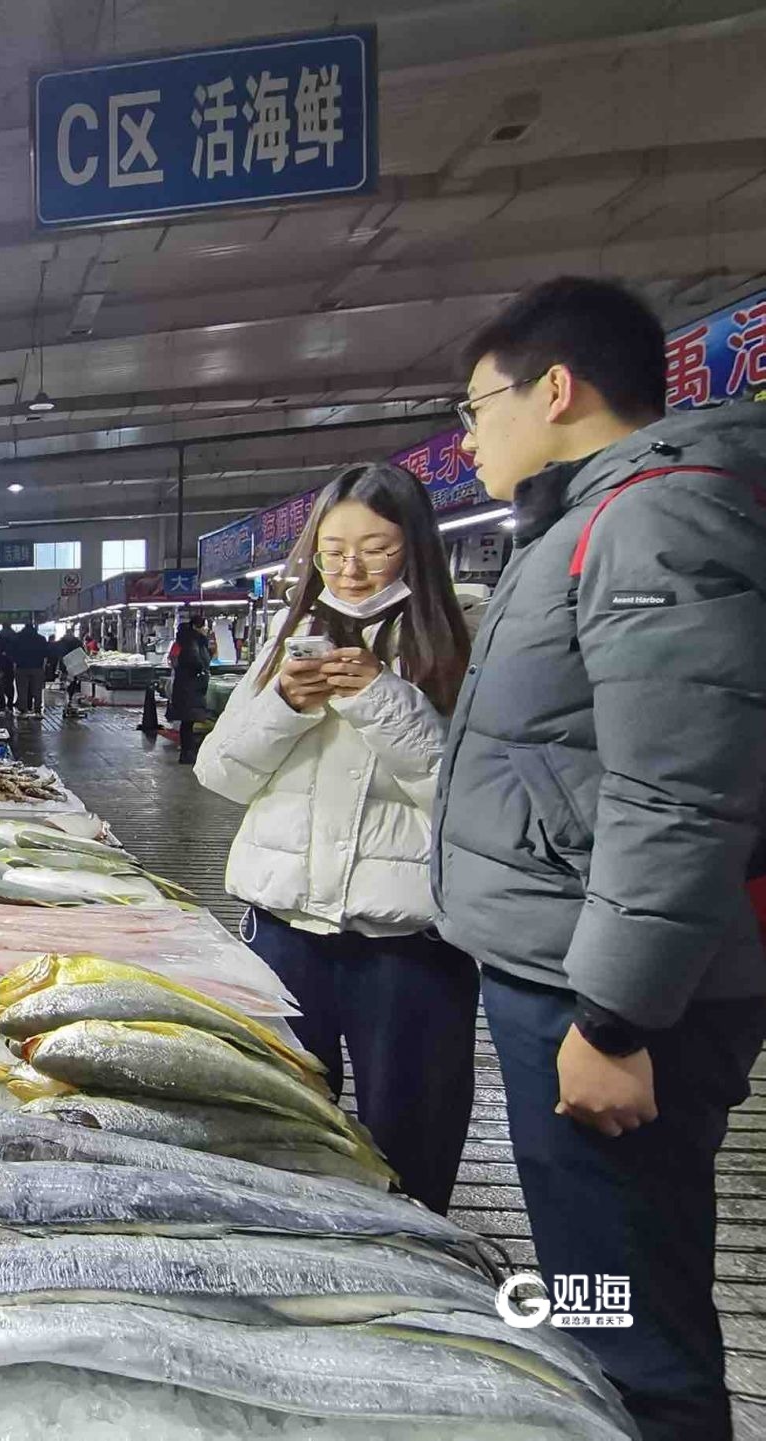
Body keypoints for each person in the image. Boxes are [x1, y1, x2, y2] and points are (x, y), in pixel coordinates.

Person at [433, 277, 766, 1439]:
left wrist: (616, 1020)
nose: (466, 436)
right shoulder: (586, 519)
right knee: (593, 1297)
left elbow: (679, 786)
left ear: (556, 388)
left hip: (609, 998)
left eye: (476, 406)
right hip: (567, 971)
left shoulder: (654, 515)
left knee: (630, 1322)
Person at [196, 462, 478, 1214]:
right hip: (283, 934)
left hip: (410, 947)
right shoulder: (288, 640)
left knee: (409, 1143)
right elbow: (219, 772)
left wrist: (381, 700)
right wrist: (284, 703)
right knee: (277, 1125)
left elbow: (469, 797)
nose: (350, 569)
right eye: (332, 549)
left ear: (417, 548)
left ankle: (419, 1286)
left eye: (376, 549)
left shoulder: (460, 644)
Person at [167, 614, 216, 764]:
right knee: (188, 720)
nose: (206, 629)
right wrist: (201, 670)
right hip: (191, 687)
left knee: (187, 721)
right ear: (196, 627)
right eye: (204, 626)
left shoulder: (185, 640)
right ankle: (188, 753)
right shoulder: (193, 642)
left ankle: (187, 752)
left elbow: (175, 659)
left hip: (185, 685)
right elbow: (194, 661)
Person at [10, 621, 50, 716]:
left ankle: (24, 710)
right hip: (37, 667)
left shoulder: (17, 638)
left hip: (21, 667)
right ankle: (37, 710)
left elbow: (11, 652)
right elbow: (46, 653)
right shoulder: (41, 638)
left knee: (22, 690)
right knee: (37, 690)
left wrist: (15, 661)